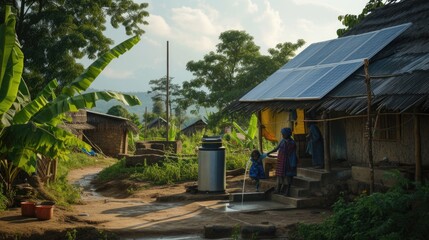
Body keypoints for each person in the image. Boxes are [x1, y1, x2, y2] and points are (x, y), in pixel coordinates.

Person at [267, 127, 298, 196]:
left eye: (283, 134)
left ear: (288, 134)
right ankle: (278, 189)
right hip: (281, 161)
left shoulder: (292, 143)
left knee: (287, 177)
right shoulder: (283, 140)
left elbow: (292, 154)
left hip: (288, 162)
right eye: (282, 134)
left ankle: (287, 191)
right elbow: (276, 148)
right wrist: (268, 153)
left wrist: (293, 163)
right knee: (280, 176)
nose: (282, 135)